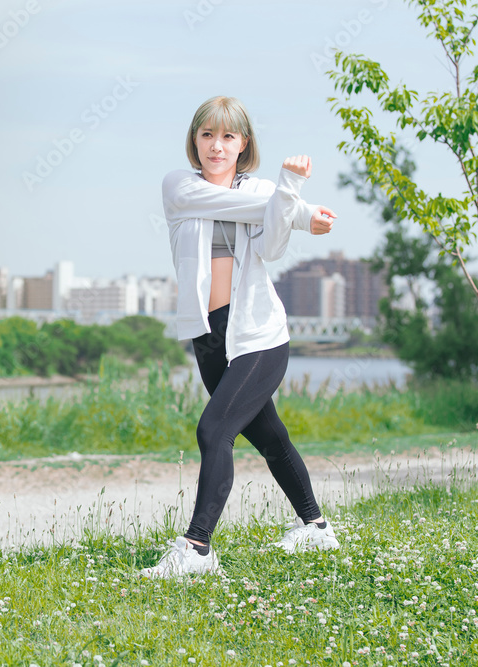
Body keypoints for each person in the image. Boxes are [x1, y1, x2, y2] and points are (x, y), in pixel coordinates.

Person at [139, 95, 340, 579]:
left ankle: (197, 550)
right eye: (207, 134)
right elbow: (245, 206)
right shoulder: (179, 186)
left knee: (214, 431)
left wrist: (289, 191)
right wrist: (295, 208)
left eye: (228, 136)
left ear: (243, 143)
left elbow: (271, 245)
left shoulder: (268, 188)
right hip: (208, 335)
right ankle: (316, 528)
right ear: (194, 140)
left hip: (258, 335)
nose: (216, 145)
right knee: (270, 436)